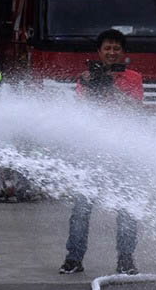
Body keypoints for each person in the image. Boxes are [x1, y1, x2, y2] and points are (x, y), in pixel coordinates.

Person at [58, 28, 142, 276]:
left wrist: (111, 88)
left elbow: (135, 109)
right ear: (99, 52)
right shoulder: (86, 78)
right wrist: (92, 84)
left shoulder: (134, 78)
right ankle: (74, 258)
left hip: (124, 153)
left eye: (117, 48)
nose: (112, 52)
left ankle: (126, 259)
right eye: (107, 48)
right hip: (91, 153)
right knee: (81, 209)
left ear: (123, 53)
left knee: (127, 208)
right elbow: (82, 109)